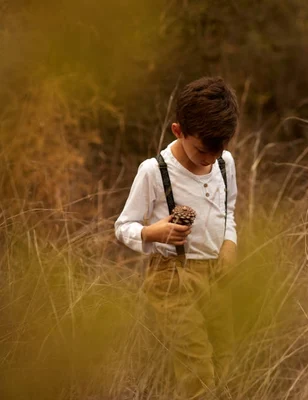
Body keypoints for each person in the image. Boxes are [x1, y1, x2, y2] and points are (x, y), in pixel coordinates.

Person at [115, 77, 239, 398]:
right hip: (170, 279)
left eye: (218, 151)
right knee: (197, 366)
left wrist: (229, 243)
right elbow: (123, 225)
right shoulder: (154, 172)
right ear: (178, 131)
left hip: (214, 276)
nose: (210, 159)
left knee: (226, 355)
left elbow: (229, 209)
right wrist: (151, 232)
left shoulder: (224, 163)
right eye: (202, 150)